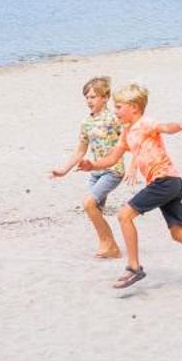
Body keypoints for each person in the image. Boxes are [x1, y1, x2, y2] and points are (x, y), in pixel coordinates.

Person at [99, 83, 182, 290]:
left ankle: (133, 267)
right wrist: (90, 165)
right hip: (172, 182)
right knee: (178, 233)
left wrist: (181, 125)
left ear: (134, 107)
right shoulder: (127, 132)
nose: (116, 111)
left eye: (119, 106)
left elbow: (166, 128)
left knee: (124, 215)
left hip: (164, 180)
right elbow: (112, 158)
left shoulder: (145, 123)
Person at [48, 75, 125, 259]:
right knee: (94, 210)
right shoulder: (86, 123)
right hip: (95, 173)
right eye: (87, 97)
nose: (89, 101)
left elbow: (130, 139)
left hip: (113, 171)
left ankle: (109, 245)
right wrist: (63, 171)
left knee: (88, 203)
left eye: (93, 97)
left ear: (105, 97)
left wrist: (137, 165)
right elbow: (80, 151)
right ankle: (110, 246)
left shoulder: (114, 119)